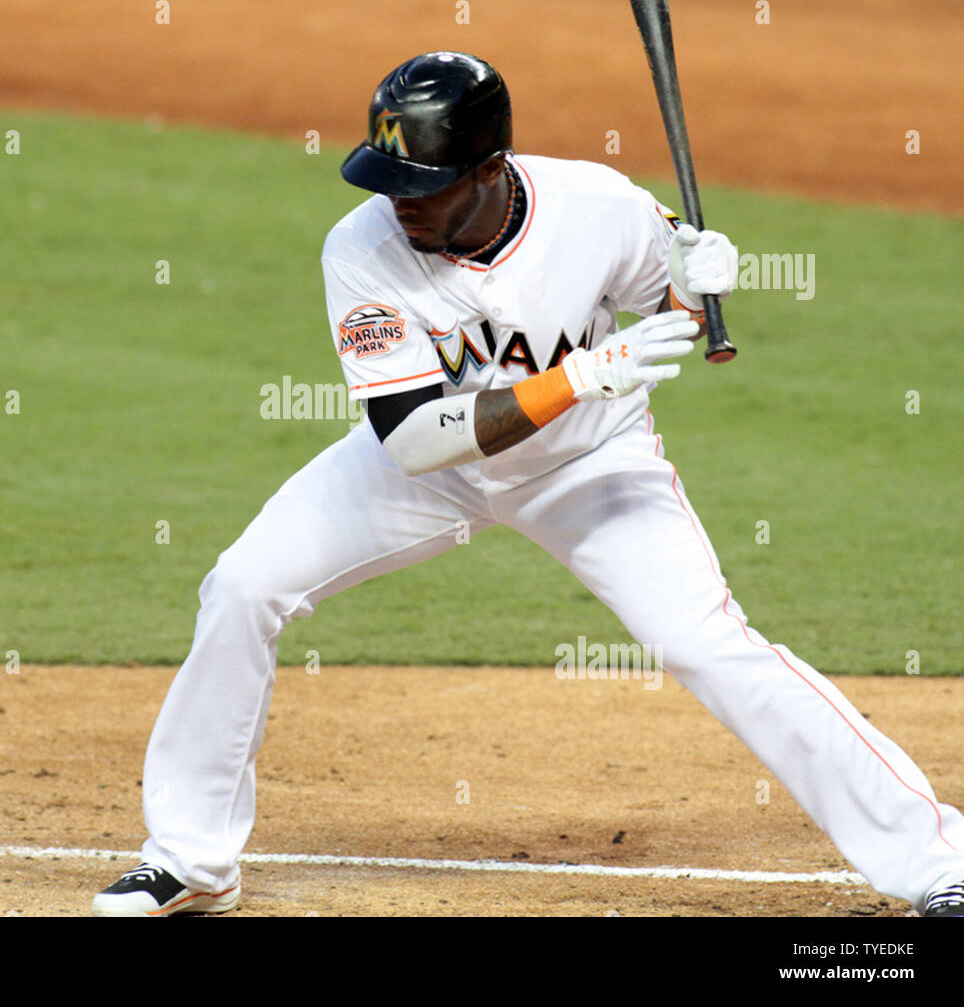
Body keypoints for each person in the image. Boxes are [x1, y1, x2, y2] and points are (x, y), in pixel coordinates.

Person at [91, 51, 964, 918]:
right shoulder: (361, 248)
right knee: (245, 584)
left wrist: (699, 290)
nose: (400, 202)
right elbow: (417, 441)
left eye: (424, 184)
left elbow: (678, 309)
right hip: (429, 470)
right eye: (389, 178)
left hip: (591, 468)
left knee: (709, 646)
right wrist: (583, 374)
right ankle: (192, 858)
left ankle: (936, 861)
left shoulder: (599, 208)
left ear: (492, 169)